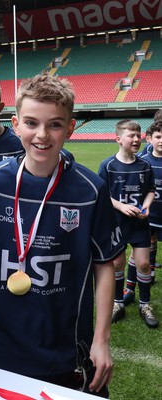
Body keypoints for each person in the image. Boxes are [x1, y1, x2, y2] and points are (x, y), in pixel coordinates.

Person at [0, 72, 124, 395]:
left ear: (70, 128)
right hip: (2, 342)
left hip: (67, 347)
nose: (42, 134)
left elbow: (105, 264)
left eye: (54, 124)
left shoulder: (90, 190)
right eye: (31, 123)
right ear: (15, 124)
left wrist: (102, 339)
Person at [98, 119, 158, 328]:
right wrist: (121, 207)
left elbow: (150, 190)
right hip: (116, 223)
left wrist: (147, 206)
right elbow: (103, 195)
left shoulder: (145, 165)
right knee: (117, 263)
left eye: (138, 135)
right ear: (118, 139)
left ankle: (145, 304)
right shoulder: (108, 165)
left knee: (143, 263)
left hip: (139, 224)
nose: (135, 139)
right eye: (130, 135)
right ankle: (117, 303)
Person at [124, 121, 162, 304]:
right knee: (140, 253)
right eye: (158, 137)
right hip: (148, 216)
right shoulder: (143, 161)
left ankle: (150, 273)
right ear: (149, 139)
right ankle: (129, 288)